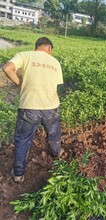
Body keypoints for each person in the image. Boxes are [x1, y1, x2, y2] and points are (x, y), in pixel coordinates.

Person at [3, 37, 64, 183]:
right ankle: (57, 152)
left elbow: (7, 68)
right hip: (50, 107)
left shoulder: (25, 55)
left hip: (29, 106)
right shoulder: (55, 62)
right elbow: (55, 85)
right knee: (54, 133)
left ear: (36, 47)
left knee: (23, 140)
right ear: (49, 48)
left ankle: (18, 174)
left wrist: (20, 83)